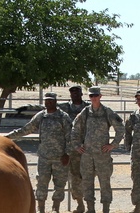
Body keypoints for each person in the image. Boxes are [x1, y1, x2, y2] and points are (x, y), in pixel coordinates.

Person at [6, 92, 72, 213]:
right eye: (47, 101)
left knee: (60, 184)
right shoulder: (41, 116)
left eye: (51, 101)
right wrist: (8, 137)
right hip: (44, 157)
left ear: (56, 102)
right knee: (41, 183)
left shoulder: (63, 117)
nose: (49, 103)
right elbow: (27, 129)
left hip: (60, 158)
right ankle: (41, 209)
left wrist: (67, 154)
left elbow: (70, 137)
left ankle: (55, 208)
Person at [71, 86, 124, 213]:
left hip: (102, 155)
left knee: (104, 182)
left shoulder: (107, 112)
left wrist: (113, 144)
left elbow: (120, 128)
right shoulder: (85, 112)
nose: (93, 98)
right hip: (87, 155)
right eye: (91, 96)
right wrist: (77, 145)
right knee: (87, 182)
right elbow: (75, 129)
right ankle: (91, 209)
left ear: (100, 96)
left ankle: (106, 209)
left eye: (96, 96)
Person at [58, 85, 91, 213]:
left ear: (81, 94)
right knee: (69, 177)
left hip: (85, 149)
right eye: (72, 92)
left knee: (84, 177)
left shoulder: (88, 108)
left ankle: (86, 204)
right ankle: (78, 204)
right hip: (68, 149)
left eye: (77, 92)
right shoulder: (63, 108)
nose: (75, 94)